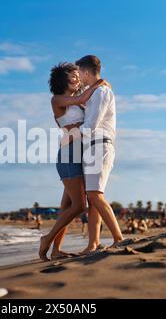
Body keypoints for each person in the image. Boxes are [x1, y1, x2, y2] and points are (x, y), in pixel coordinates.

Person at [38, 62, 110, 261]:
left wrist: (98, 87)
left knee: (67, 205)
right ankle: (47, 238)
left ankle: (56, 249)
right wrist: (99, 84)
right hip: (69, 154)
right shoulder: (58, 99)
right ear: (62, 79)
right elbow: (83, 97)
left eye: (78, 75)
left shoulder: (78, 101)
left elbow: (90, 105)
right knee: (79, 206)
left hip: (81, 153)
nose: (77, 78)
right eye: (72, 75)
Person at [76, 55, 125, 253]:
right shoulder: (95, 92)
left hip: (100, 145)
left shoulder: (101, 93)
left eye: (79, 73)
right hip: (93, 147)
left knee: (95, 195)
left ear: (86, 72)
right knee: (92, 197)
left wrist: (71, 133)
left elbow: (91, 125)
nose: (78, 77)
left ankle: (119, 238)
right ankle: (93, 243)